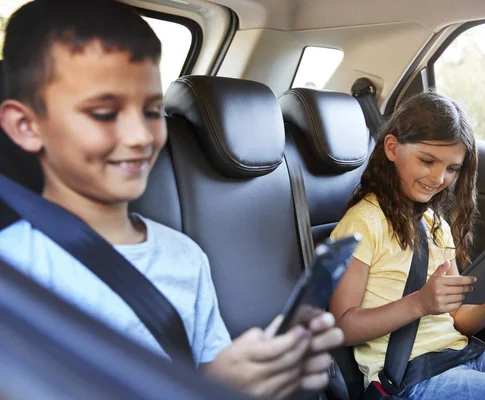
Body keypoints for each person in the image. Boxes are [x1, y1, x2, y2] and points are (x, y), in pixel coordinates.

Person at [0, 1, 342, 399]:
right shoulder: (15, 272)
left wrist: (265, 368)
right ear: (26, 126)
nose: (141, 136)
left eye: (152, 110)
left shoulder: (184, 256)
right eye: (104, 112)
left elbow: (203, 364)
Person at [329, 92, 485, 399]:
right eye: (427, 160)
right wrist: (419, 303)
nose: (438, 177)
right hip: (408, 376)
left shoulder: (435, 224)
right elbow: (342, 326)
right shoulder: (363, 221)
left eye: (452, 169)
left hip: (464, 354)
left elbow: (459, 322)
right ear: (392, 148)